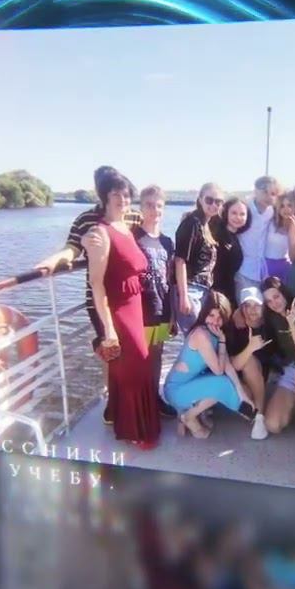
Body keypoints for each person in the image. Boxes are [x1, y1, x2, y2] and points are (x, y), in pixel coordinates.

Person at [32, 166, 144, 426]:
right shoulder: (86, 220)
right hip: (100, 297)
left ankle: (128, 403)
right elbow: (71, 249)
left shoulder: (132, 216)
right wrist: (53, 260)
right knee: (112, 351)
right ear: (101, 191)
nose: (119, 197)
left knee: (130, 354)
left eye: (122, 191)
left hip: (128, 296)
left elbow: (139, 241)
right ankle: (113, 404)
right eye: (109, 189)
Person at [82, 167, 161, 450]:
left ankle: (120, 417)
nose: (123, 199)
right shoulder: (100, 233)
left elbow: (153, 221)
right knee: (136, 365)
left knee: (130, 367)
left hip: (135, 304)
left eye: (126, 195)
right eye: (116, 194)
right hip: (118, 309)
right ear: (105, 196)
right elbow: (96, 284)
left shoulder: (126, 226)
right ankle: (135, 429)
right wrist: (108, 329)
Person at [163, 291, 259, 438]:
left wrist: (241, 394)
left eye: (220, 318)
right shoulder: (201, 335)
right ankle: (188, 417)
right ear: (204, 314)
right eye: (211, 315)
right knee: (221, 384)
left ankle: (191, 413)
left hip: (190, 383)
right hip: (176, 390)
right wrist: (222, 342)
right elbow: (219, 371)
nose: (215, 321)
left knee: (232, 385)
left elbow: (227, 366)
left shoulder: (215, 333)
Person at [133, 185, 179, 417]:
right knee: (139, 358)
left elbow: (170, 279)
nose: (154, 210)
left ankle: (154, 398)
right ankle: (139, 404)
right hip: (140, 311)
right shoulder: (133, 238)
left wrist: (172, 316)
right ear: (141, 207)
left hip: (162, 310)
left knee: (156, 355)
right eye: (149, 205)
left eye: (158, 206)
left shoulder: (167, 242)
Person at [255, 277, 295, 440]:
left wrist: (292, 325)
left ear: (284, 293)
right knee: (272, 425)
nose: (274, 303)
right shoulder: (272, 317)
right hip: (290, 369)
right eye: (268, 301)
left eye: (276, 296)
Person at [174, 183, 223, 334]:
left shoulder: (206, 225)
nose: (213, 205)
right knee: (195, 337)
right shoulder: (192, 223)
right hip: (190, 290)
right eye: (209, 200)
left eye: (218, 202)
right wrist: (183, 296)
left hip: (202, 290)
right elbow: (180, 260)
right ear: (200, 199)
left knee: (199, 338)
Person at [227, 287, 275, 439]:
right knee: (248, 362)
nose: (252, 310)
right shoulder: (235, 326)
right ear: (241, 308)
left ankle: (259, 416)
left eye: (256, 305)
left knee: (250, 363)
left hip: (261, 373)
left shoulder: (269, 324)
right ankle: (254, 410)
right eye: (247, 305)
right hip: (237, 377)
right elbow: (233, 365)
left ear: (263, 306)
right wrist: (250, 348)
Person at [236, 175, 283, 294]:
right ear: (256, 191)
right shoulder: (244, 209)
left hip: (262, 272)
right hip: (243, 270)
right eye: (265, 192)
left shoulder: (272, 211)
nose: (269, 197)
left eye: (273, 194)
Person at [210, 196, 249, 304]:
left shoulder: (235, 237)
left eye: (242, 214)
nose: (238, 217)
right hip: (215, 292)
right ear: (226, 213)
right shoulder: (217, 235)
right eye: (234, 213)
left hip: (228, 290)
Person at [266, 192, 295, 284]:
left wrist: (294, 233)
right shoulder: (270, 221)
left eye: (289, 205)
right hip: (267, 265)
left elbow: (293, 255)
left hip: (285, 266)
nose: (286, 209)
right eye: (282, 206)